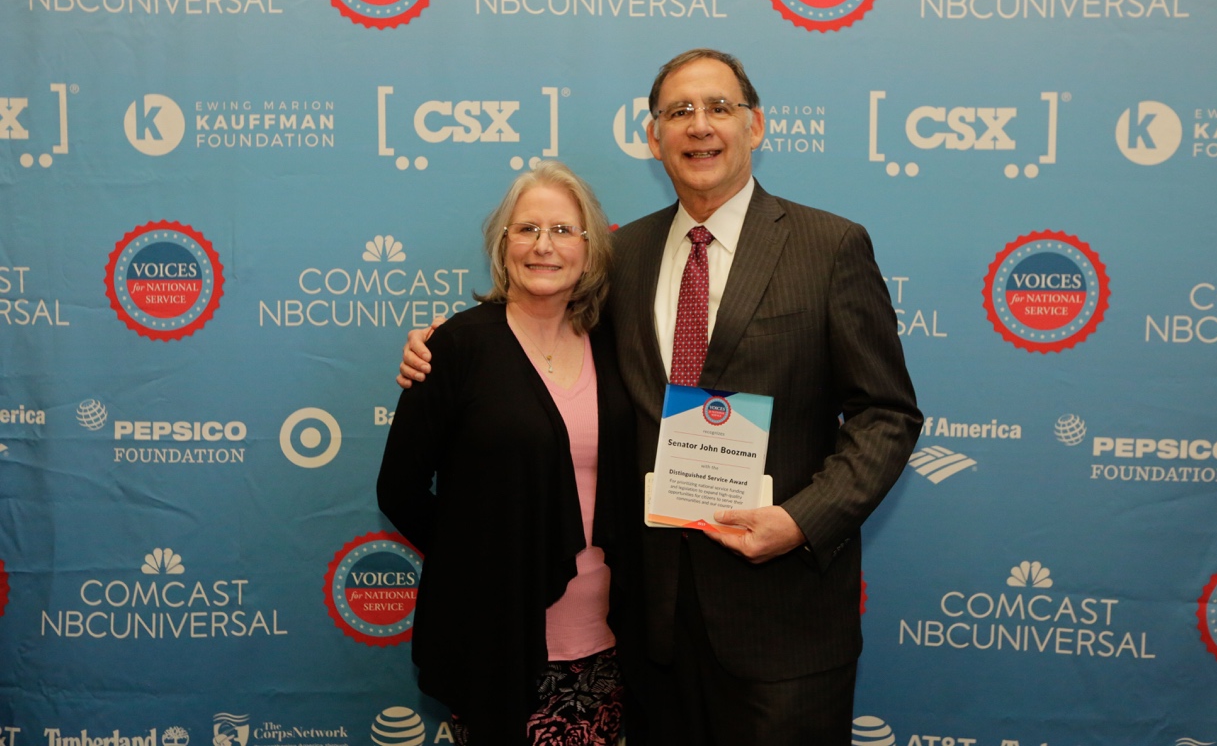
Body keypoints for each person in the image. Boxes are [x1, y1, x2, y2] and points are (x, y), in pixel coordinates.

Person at [398, 50, 922, 745]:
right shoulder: (626, 256)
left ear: (755, 125)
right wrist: (446, 341)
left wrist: (799, 521)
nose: (699, 126)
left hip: (781, 626)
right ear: (653, 138)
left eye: (719, 108)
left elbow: (887, 413)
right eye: (678, 112)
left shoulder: (829, 247)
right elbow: (543, 330)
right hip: (648, 629)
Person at [377, 161, 637, 745]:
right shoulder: (457, 346)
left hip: (610, 641)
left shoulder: (617, 343)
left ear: (591, 249)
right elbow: (398, 489)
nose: (544, 246)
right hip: (497, 640)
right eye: (527, 229)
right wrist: (481, 556)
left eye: (564, 230)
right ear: (502, 244)